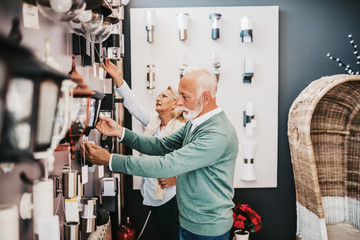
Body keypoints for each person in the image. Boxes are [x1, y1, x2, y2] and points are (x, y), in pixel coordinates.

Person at [81, 66, 239, 240]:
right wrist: (121, 132)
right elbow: (161, 145)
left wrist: (110, 160)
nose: (178, 102)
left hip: (207, 230)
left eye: (184, 96)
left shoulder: (217, 134)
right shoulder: (195, 123)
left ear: (205, 98)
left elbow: (166, 165)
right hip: (189, 222)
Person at [103, 58, 186, 240]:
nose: (158, 98)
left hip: (170, 198)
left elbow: (193, 161)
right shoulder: (154, 122)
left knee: (171, 235)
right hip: (151, 193)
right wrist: (117, 78)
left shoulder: (181, 128)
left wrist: (177, 178)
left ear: (175, 105)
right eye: (158, 95)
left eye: (164, 96)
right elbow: (133, 105)